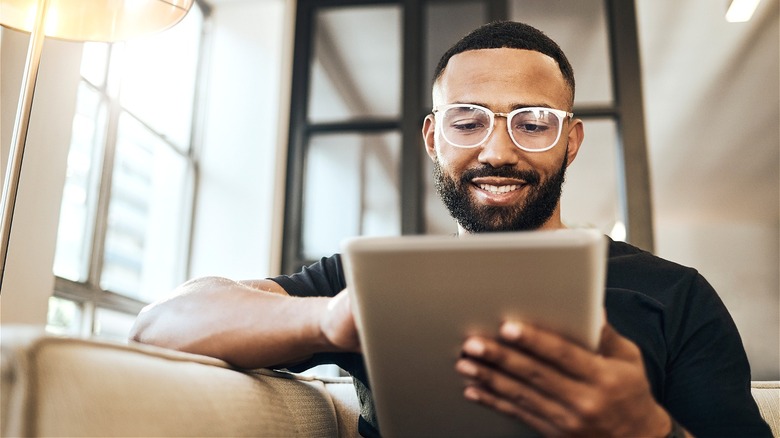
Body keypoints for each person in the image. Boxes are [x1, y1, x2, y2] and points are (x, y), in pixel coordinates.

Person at [130, 21, 771, 438]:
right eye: (468, 121)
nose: (499, 151)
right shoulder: (368, 284)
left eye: (534, 121)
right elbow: (161, 326)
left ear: (571, 141)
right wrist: (332, 320)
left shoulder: (674, 295)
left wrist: (644, 430)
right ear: (434, 138)